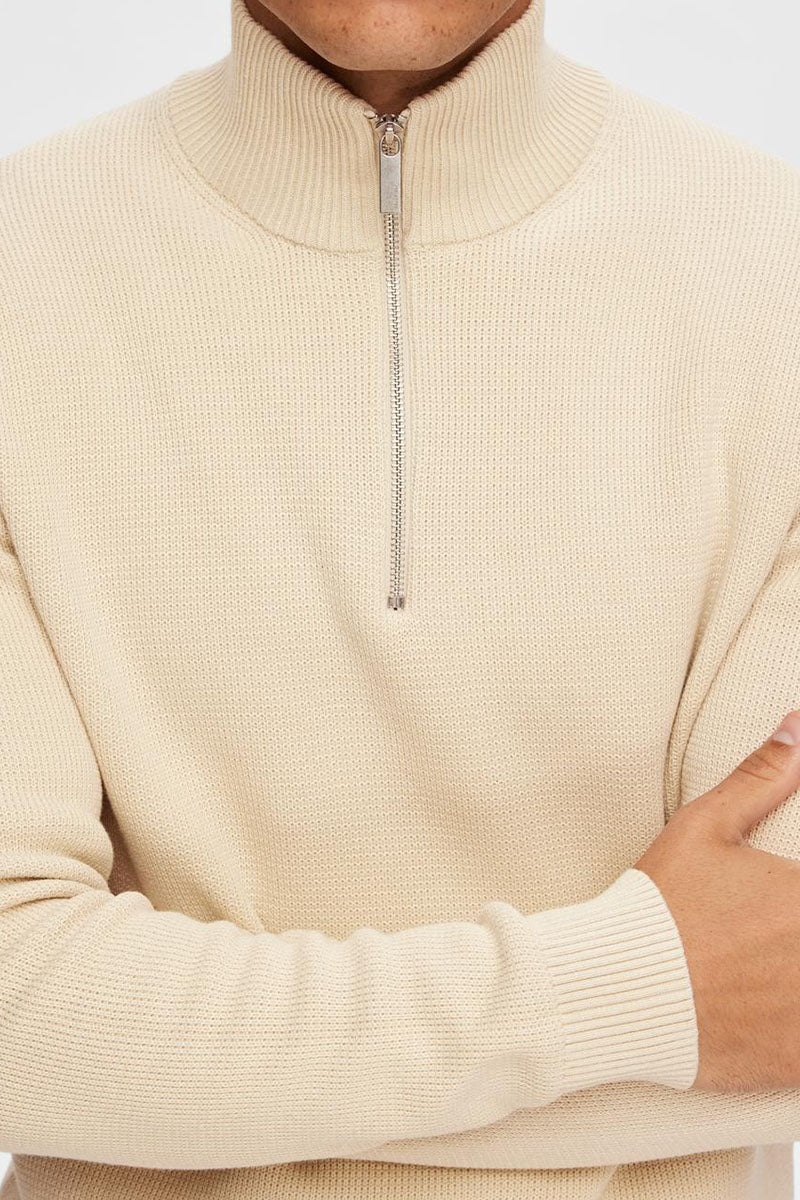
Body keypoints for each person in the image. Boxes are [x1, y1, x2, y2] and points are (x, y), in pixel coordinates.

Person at [0, 0, 799, 1197]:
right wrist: (639, 995)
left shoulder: (778, 274)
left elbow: (779, 1009)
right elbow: (19, 1023)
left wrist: (164, 1067)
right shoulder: (19, 269)